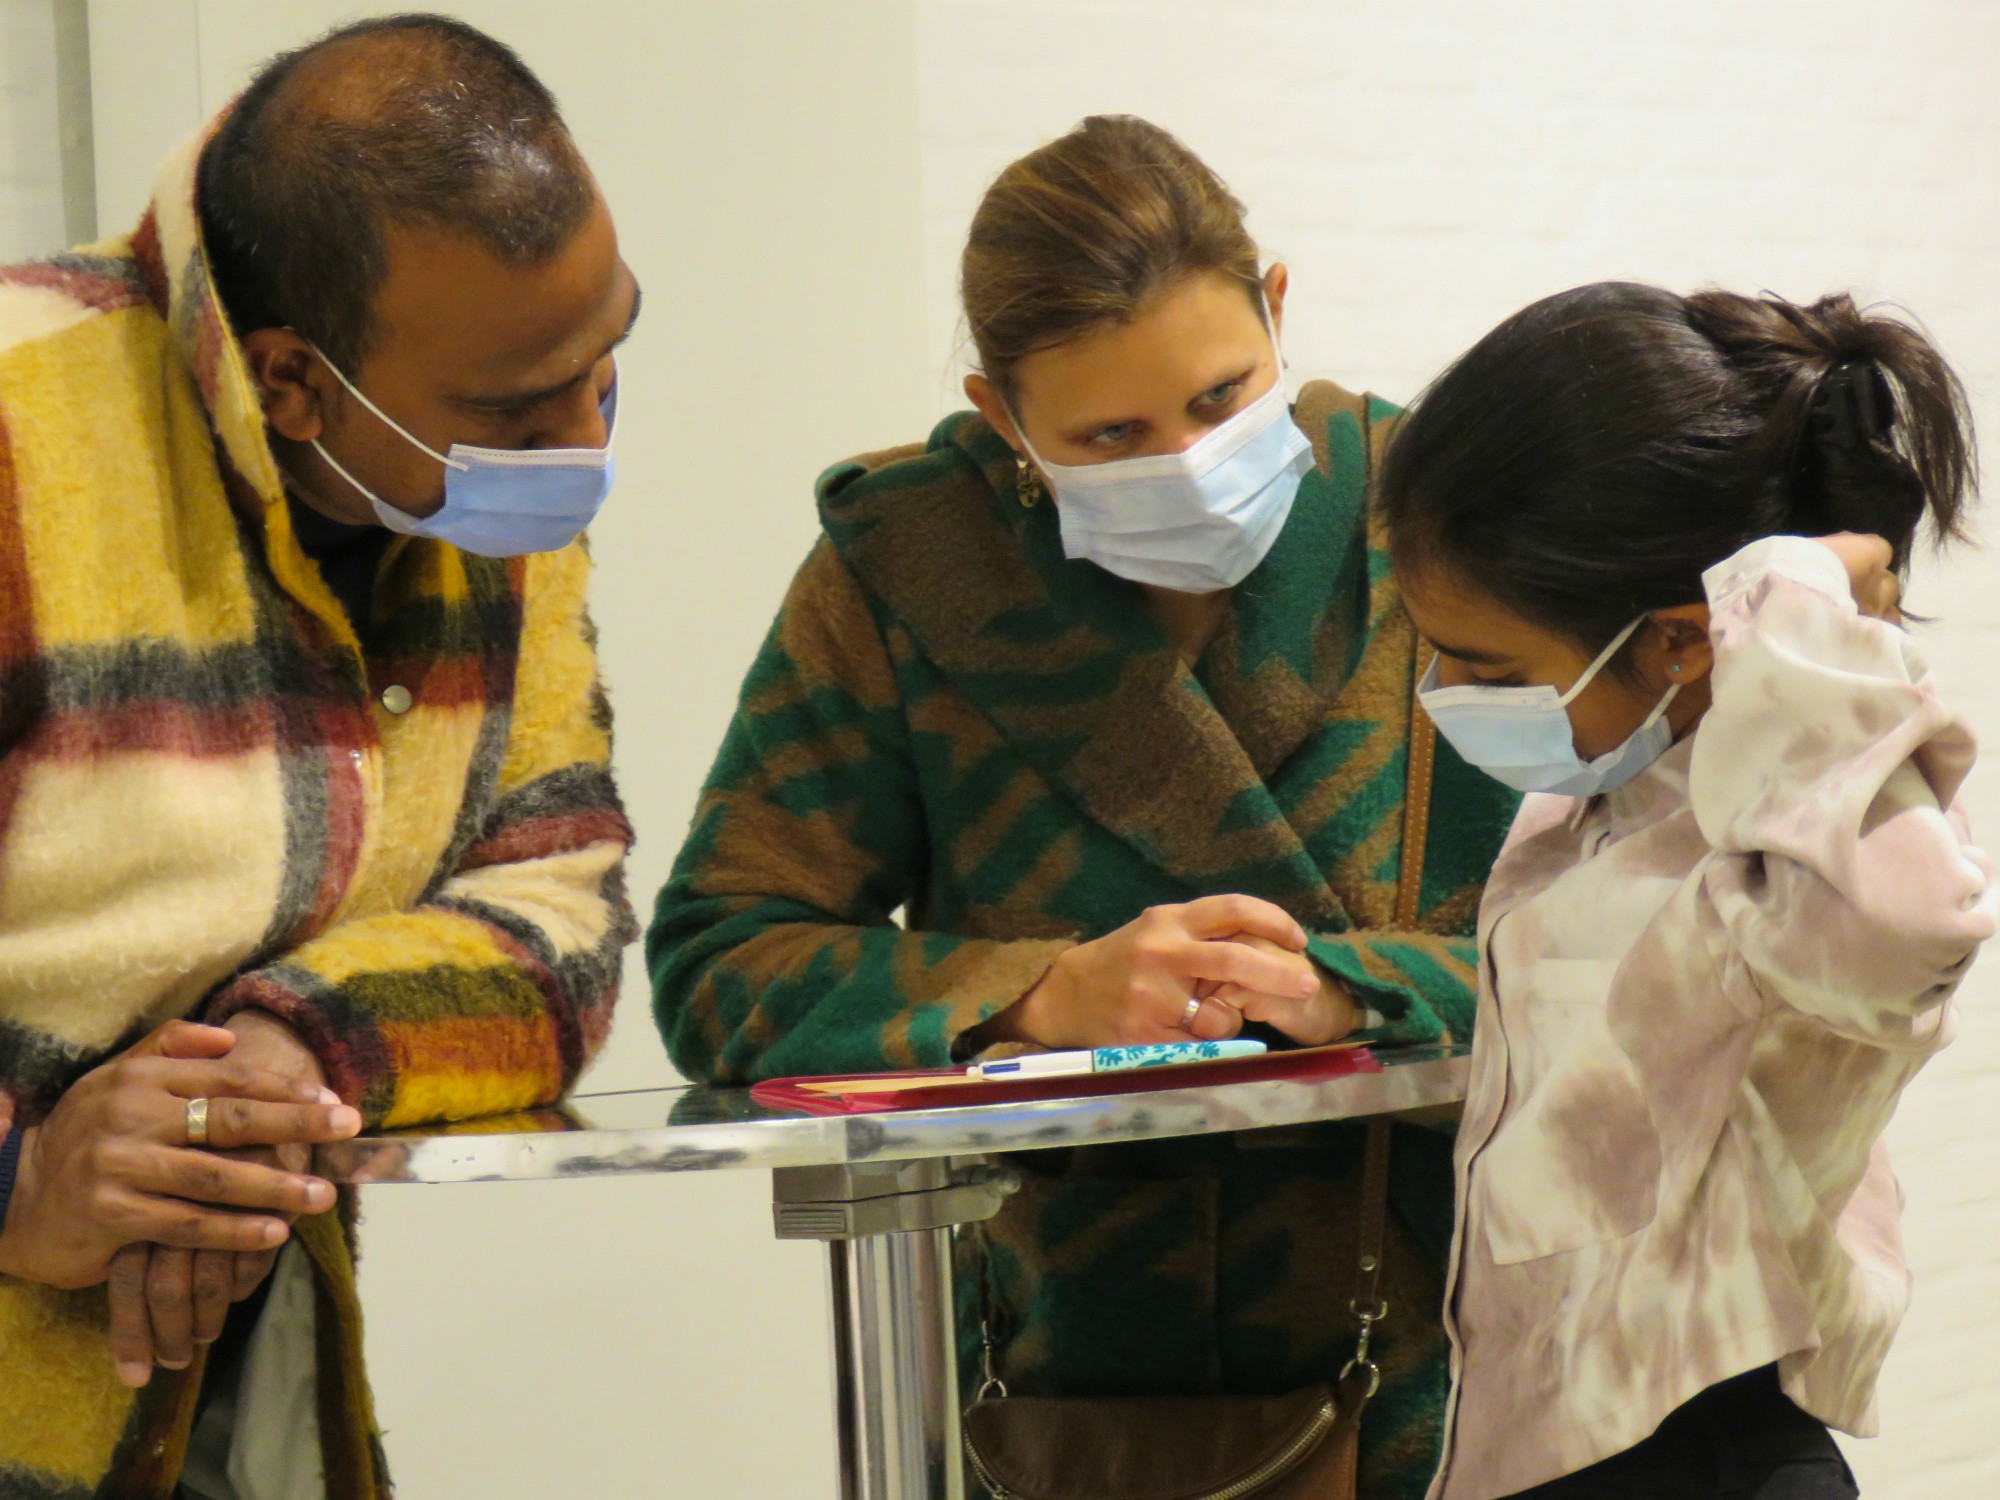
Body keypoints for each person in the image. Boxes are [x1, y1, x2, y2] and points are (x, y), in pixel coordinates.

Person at [650, 115, 1518, 1496]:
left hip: (1457, 1380)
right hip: (1055, 1401)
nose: (1184, 460)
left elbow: (1622, 971)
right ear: (1003, 418)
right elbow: (717, 963)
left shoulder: (1440, 523)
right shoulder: (917, 565)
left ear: (1278, 310)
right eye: (1110, 435)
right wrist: (1038, 996)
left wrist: (1342, 994)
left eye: (1224, 399)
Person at [0, 15, 638, 1497]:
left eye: (606, 357)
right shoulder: (24, 430)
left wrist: (280, 1064)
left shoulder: (484, 499)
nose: (583, 438)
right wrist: (28, 1179)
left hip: (219, 1408)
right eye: (515, 408)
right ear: (292, 383)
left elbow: (563, 917)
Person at [1375, 282, 1996, 1500]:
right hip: (1553, 1447)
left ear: (1675, 640)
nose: (1439, 688)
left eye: (1484, 663)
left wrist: (1795, 599)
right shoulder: (1603, 802)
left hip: (1698, 1450)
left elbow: (1910, 924)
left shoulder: (1791, 837)